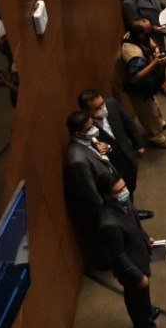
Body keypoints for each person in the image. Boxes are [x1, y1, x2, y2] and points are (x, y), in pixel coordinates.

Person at [63, 110, 148, 274]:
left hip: (113, 195)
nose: (94, 128)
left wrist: (107, 147)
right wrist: (113, 212)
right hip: (108, 203)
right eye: (89, 127)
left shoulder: (87, 141)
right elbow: (91, 194)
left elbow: (101, 156)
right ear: (78, 133)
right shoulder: (77, 160)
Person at [96, 176, 166, 328]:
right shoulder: (109, 223)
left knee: (136, 297)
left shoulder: (123, 203)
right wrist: (138, 277)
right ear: (107, 196)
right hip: (131, 268)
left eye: (124, 187)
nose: (124, 192)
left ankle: (141, 320)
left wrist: (146, 238)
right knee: (138, 299)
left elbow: (135, 225)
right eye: (119, 190)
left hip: (139, 256)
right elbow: (119, 256)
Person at [114, 19, 166, 148]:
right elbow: (134, 78)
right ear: (142, 34)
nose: (152, 29)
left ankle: (160, 123)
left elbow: (151, 43)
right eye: (149, 29)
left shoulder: (134, 35)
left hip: (146, 83)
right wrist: (155, 63)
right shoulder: (134, 55)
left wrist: (156, 50)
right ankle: (156, 137)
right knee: (148, 111)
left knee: (154, 104)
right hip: (137, 86)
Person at [79, 88, 145, 195]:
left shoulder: (112, 104)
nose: (103, 108)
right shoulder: (86, 128)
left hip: (128, 153)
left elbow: (128, 123)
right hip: (113, 165)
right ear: (87, 111)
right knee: (120, 191)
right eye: (97, 107)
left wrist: (139, 144)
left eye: (102, 103)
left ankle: (132, 209)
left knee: (131, 185)